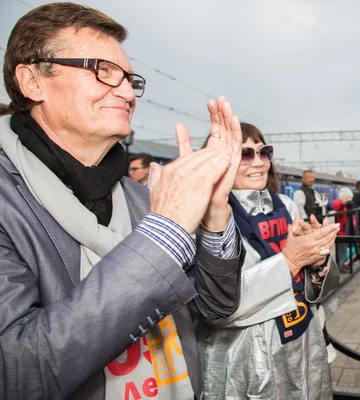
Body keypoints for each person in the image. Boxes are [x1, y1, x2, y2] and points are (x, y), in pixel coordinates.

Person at [0, 4, 246, 399]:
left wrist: (216, 211)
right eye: (103, 70)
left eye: (130, 79)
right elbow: (16, 372)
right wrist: (162, 236)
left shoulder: (141, 196)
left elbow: (215, 308)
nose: (129, 93)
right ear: (32, 81)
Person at [197, 123, 340, 399]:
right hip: (248, 362)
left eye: (264, 152)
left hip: (304, 347)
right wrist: (291, 259)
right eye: (246, 154)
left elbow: (315, 291)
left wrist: (318, 259)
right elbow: (219, 308)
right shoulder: (206, 218)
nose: (260, 162)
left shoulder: (284, 204)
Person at [332, 187, 353, 269]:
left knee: (344, 247)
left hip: (344, 229)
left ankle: (342, 263)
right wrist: (343, 201)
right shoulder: (339, 203)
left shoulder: (345, 205)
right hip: (341, 230)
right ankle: (340, 265)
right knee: (341, 248)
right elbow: (336, 206)